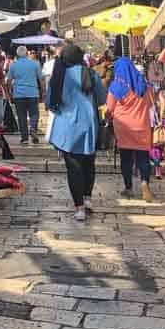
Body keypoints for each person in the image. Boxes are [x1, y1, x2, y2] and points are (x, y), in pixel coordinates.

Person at [47, 43, 106, 221]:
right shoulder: (91, 73)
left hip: (67, 128)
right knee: (89, 163)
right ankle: (87, 199)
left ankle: (79, 207)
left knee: (73, 168)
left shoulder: (59, 76)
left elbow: (50, 103)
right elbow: (102, 98)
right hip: (90, 125)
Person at [106, 56, 156, 202]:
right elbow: (151, 104)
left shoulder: (116, 86)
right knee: (143, 158)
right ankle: (145, 182)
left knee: (126, 159)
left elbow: (109, 108)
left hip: (124, 128)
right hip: (142, 126)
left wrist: (109, 116)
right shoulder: (144, 85)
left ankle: (128, 188)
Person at [7, 46, 44, 145]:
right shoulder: (35, 64)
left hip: (19, 94)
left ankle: (24, 138)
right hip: (33, 93)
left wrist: (9, 93)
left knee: (21, 116)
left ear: (17, 54)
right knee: (34, 114)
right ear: (27, 53)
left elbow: (9, 81)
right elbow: (41, 79)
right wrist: (43, 92)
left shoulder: (13, 65)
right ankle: (33, 128)